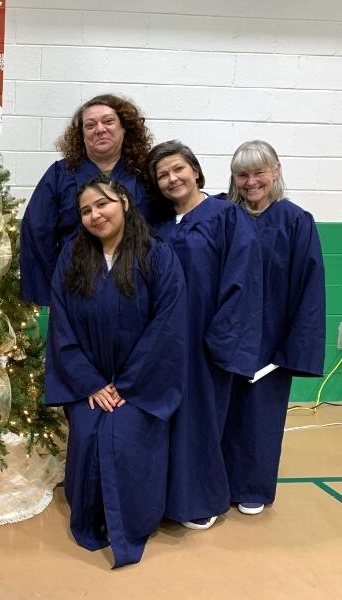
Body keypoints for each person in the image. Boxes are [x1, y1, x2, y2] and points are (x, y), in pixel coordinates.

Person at [45, 175, 187, 568]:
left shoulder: (156, 254)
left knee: (124, 437)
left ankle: (132, 520)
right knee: (89, 433)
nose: (95, 215)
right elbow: (62, 326)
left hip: (141, 385)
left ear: (123, 202)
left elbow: (167, 324)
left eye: (102, 204)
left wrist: (127, 385)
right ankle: (91, 518)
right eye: (86, 210)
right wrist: (90, 383)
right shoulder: (73, 257)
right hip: (88, 382)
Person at [145, 141, 263, 530]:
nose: (171, 178)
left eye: (178, 169)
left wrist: (221, 340)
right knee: (162, 420)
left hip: (203, 342)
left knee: (200, 422)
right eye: (162, 174)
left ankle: (199, 501)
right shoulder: (158, 225)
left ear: (195, 170)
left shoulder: (227, 217)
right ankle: (159, 498)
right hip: (161, 342)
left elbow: (241, 282)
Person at [222, 140, 325, 516]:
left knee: (259, 415)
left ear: (276, 171)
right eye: (243, 174)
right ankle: (213, 486)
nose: (251, 182)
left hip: (270, 340)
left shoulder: (296, 221)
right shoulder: (222, 215)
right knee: (221, 413)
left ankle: (251, 485)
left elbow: (308, 290)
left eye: (259, 172)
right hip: (223, 337)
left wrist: (290, 350)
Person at [20, 94, 153, 306]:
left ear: (124, 127)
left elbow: (162, 226)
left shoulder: (145, 174)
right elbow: (37, 231)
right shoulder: (60, 175)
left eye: (108, 121)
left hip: (136, 286)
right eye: (90, 125)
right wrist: (57, 283)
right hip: (77, 286)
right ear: (81, 136)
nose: (100, 129)